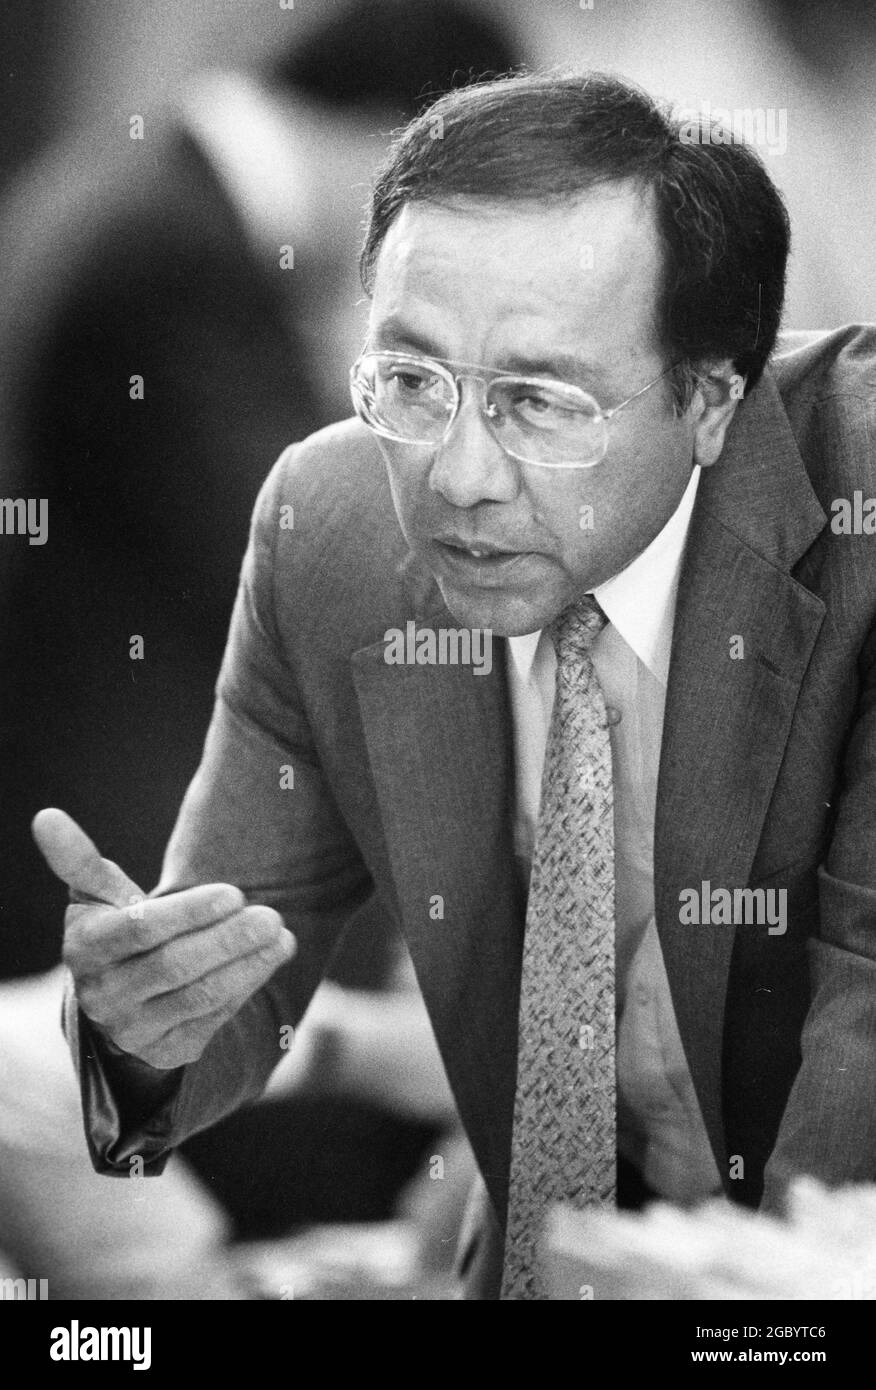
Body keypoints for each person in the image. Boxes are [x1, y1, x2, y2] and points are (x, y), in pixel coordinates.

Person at [33, 70, 876, 1300]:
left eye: (539, 401)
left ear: (710, 399)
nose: (459, 476)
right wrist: (139, 1035)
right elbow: (238, 958)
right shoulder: (331, 530)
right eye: (413, 383)